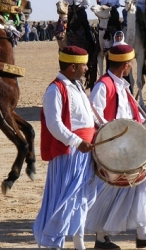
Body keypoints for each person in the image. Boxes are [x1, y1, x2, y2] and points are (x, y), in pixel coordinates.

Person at [86, 43, 146, 249]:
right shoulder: (103, 85)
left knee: (143, 187)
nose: (131, 66)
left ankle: (142, 234)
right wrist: (112, 136)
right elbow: (94, 115)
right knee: (109, 193)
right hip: (113, 152)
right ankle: (101, 238)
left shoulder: (122, 85)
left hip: (130, 150)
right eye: (130, 63)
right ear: (126, 65)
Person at [33, 46, 97, 250]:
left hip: (85, 154)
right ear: (72, 67)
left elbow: (88, 118)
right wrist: (78, 142)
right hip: (69, 154)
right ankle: (51, 243)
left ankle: (79, 243)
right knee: (65, 201)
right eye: (83, 65)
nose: (87, 68)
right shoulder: (55, 90)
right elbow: (54, 125)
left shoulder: (77, 86)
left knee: (82, 199)